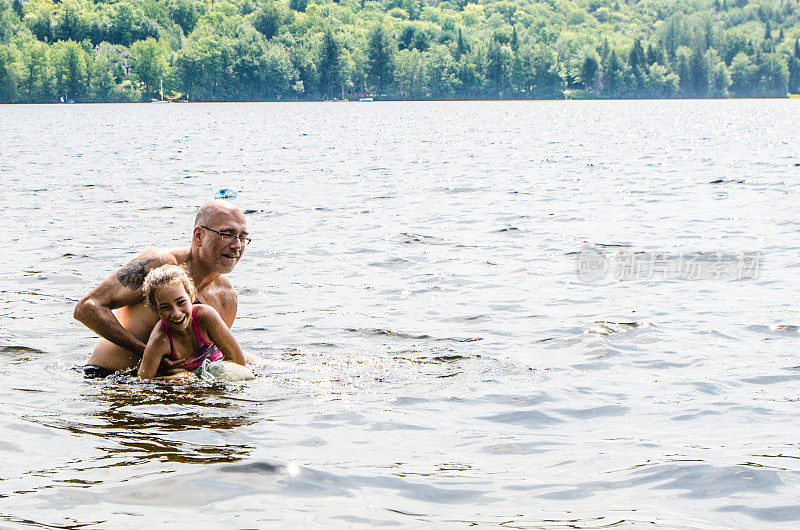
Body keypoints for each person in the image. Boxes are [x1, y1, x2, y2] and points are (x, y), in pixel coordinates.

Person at [75, 200, 250, 377]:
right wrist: (149, 353)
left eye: (242, 237)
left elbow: (214, 355)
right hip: (111, 378)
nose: (237, 245)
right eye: (227, 234)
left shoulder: (226, 297)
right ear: (199, 236)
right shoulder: (159, 266)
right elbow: (87, 307)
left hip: (169, 385)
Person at [138, 264, 246, 381]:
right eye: (165, 307)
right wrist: (170, 379)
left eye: (181, 302)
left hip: (217, 368)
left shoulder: (206, 317)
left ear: (191, 296)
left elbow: (238, 360)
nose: (176, 313)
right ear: (155, 309)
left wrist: (195, 375)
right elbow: (143, 380)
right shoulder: (160, 339)